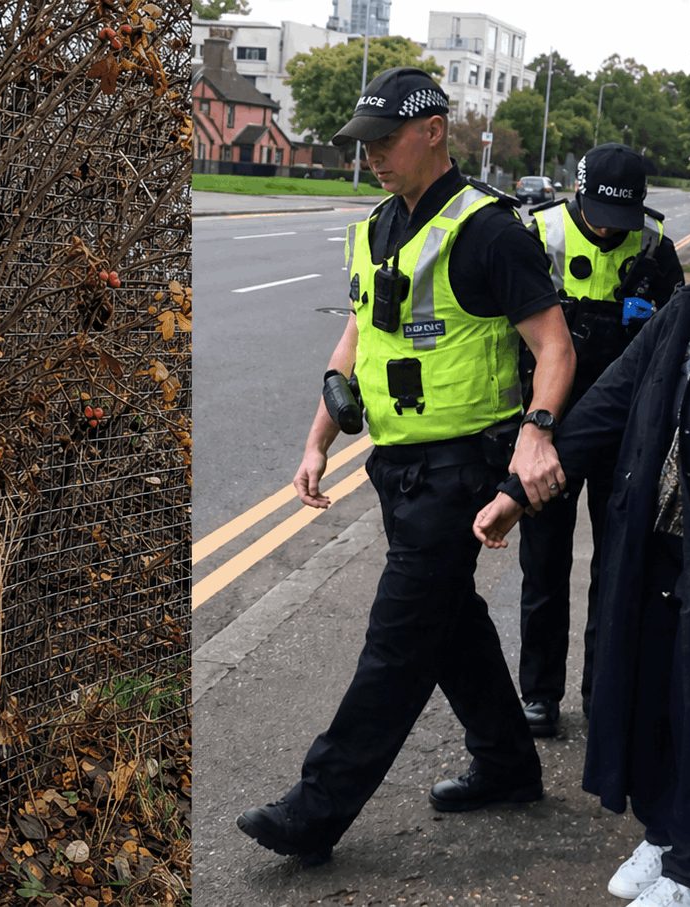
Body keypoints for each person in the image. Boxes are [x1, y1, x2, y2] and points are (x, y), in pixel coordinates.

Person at [234, 67, 576, 866]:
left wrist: (537, 433)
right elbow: (360, 340)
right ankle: (506, 763)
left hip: (463, 466)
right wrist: (318, 437)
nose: (375, 156)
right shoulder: (380, 225)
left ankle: (315, 812)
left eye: (387, 140)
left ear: (433, 131)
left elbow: (556, 346)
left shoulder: (487, 228)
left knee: (395, 643)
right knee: (446, 621)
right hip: (397, 466)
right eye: (366, 144)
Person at [477, 143, 690, 906]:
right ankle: (666, 830)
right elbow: (607, 406)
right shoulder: (688, 305)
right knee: (655, 694)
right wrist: (517, 491)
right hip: (654, 541)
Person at [515, 143, 684, 736]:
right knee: (544, 567)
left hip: (623, 430)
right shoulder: (537, 234)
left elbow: (677, 342)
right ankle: (538, 696)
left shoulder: (655, 246)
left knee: (617, 569)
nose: (611, 226)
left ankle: (602, 695)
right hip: (551, 428)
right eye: (600, 211)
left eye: (623, 214)